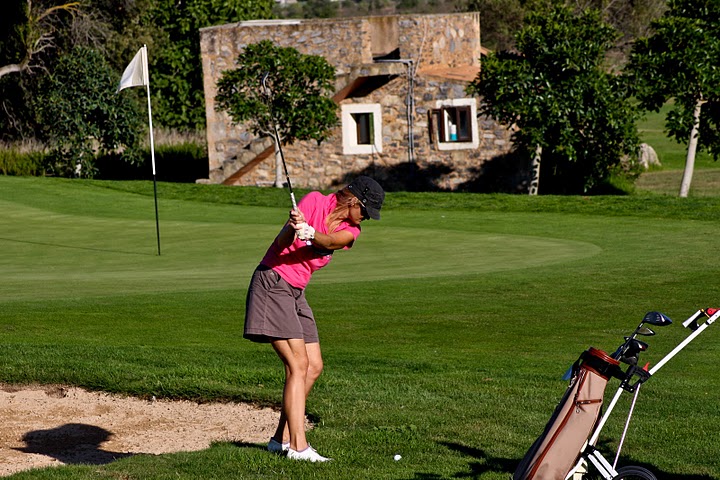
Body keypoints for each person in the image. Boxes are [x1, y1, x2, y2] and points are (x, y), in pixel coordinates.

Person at [243, 176, 385, 462]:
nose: (366, 218)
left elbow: (330, 241)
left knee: (313, 366)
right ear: (354, 201)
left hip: (296, 291)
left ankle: (280, 439)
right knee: (298, 365)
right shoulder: (314, 201)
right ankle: (299, 448)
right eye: (365, 211)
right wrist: (294, 226)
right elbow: (281, 243)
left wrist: (311, 233)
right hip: (273, 281)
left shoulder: (351, 230)